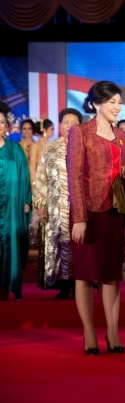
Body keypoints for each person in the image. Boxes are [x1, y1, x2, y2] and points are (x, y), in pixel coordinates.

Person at [67, 81, 125, 354]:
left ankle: (114, 334)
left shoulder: (122, 137)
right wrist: (80, 218)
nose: (117, 107)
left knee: (111, 275)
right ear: (96, 104)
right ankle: (89, 333)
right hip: (88, 213)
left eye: (119, 101)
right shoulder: (80, 132)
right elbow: (74, 177)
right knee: (84, 275)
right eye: (112, 102)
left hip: (116, 212)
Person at [33, 108, 82, 299]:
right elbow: (41, 177)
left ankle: (80, 284)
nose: (69, 126)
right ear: (60, 125)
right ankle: (63, 284)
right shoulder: (50, 148)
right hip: (55, 207)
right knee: (60, 244)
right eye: (66, 122)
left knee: (78, 245)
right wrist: (40, 203)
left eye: (74, 122)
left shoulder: (86, 147)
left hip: (79, 208)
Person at [0, 101, 32, 301]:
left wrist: (26, 203)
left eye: (2, 122)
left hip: (11, 208)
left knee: (10, 243)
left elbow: (24, 178)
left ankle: (5, 286)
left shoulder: (16, 150)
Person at [29, 119, 53, 185]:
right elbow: (32, 165)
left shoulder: (53, 145)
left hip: (52, 179)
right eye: (52, 129)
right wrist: (33, 182)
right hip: (40, 179)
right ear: (44, 130)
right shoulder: (36, 145)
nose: (53, 132)